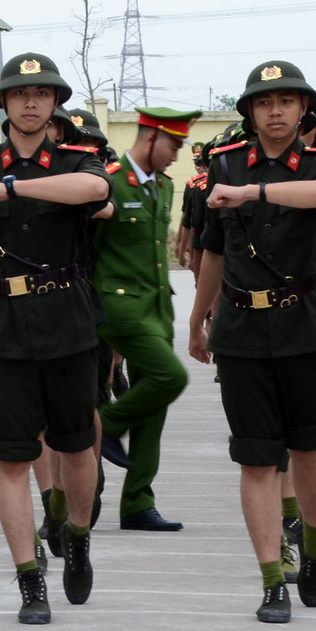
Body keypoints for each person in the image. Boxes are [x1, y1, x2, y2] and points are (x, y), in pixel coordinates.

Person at [0, 52, 111, 625]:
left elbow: (92, 191)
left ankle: (78, 535)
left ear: (55, 102)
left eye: (41, 93)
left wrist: (11, 189)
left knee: (77, 445)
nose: (31, 101)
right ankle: (29, 578)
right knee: (12, 457)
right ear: (4, 102)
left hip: (68, 318)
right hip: (4, 324)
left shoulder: (81, 159)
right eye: (20, 93)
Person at [187, 61, 316, 624]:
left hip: (307, 325)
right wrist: (197, 318)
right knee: (256, 457)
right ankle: (271, 576)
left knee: (308, 447)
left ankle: (315, 546)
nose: (275, 111)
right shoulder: (222, 165)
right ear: (250, 113)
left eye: (286, 101)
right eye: (263, 102)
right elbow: (212, 249)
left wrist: (252, 192)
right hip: (242, 331)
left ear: (304, 109)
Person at [93, 107, 201, 532]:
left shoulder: (164, 186)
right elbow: (90, 248)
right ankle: (102, 427)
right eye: (173, 145)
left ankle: (138, 503)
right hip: (119, 308)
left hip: (157, 308)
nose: (177, 155)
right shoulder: (110, 180)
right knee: (171, 378)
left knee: (153, 409)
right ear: (152, 138)